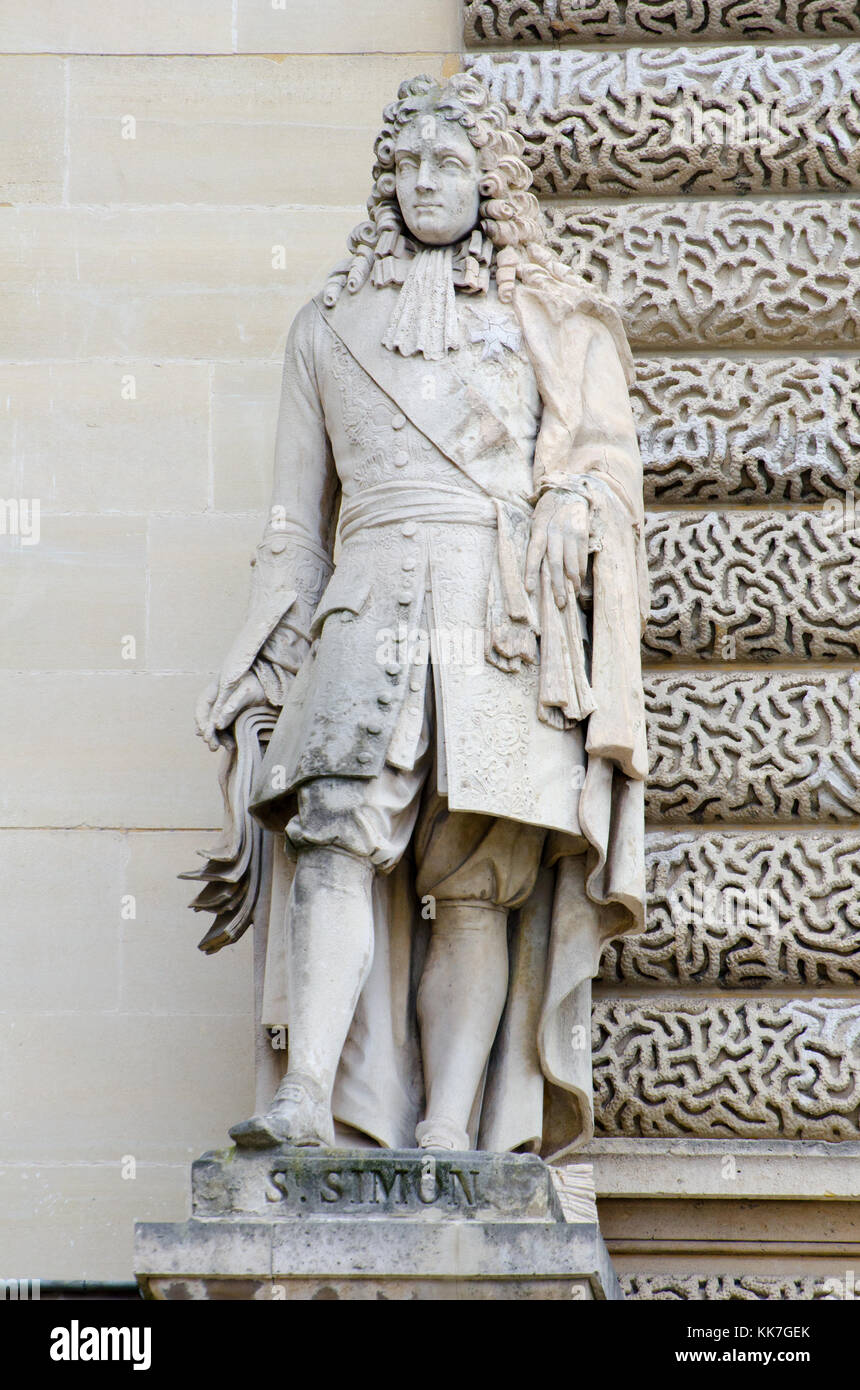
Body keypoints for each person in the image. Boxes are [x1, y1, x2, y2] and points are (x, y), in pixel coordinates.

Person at [194, 73, 649, 1159]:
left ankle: (452, 1127)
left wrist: (576, 506)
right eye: (406, 166)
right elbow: (294, 520)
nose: (425, 183)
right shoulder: (325, 327)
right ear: (383, 183)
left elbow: (603, 466)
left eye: (447, 165)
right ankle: (307, 1089)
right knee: (333, 837)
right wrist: (260, 652)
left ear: (487, 182)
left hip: (499, 619)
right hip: (366, 606)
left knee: (478, 879)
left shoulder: (550, 320)